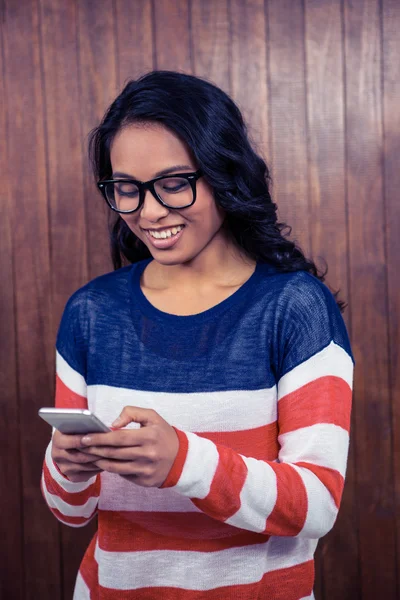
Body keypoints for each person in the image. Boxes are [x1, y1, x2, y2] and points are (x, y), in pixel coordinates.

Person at [41, 70, 354, 600]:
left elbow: (316, 506)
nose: (150, 210)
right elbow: (71, 512)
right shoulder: (91, 312)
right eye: (127, 189)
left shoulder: (295, 309)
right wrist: (65, 467)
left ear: (222, 172)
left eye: (173, 183)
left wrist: (183, 462)